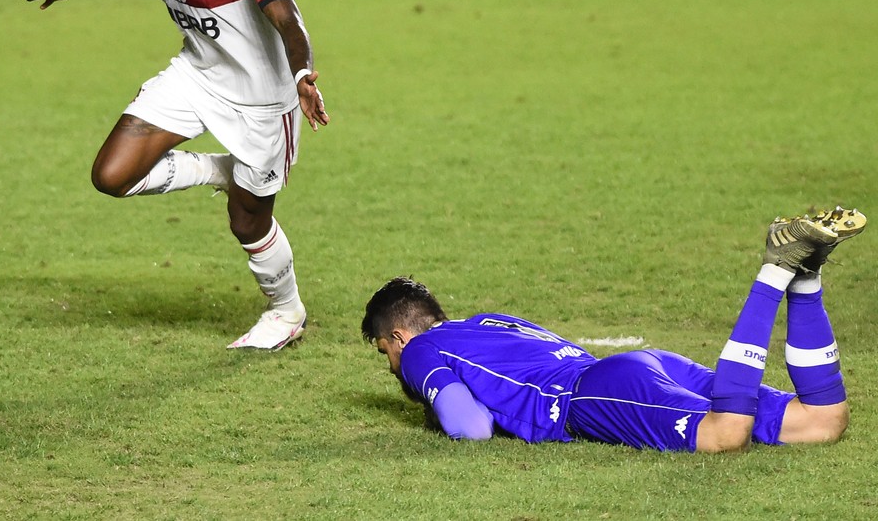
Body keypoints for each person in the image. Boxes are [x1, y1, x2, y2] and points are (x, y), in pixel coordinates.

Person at [13, 0, 329, 350]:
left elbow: (282, 10)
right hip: (197, 73)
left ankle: (286, 311)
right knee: (112, 174)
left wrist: (302, 71)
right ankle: (217, 171)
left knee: (247, 220)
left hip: (261, 95)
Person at [362, 207, 866, 452]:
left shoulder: (423, 349)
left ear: (399, 336)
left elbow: (470, 428)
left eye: (385, 351)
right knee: (821, 423)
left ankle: (776, 271)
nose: (392, 365)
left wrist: (432, 405)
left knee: (725, 435)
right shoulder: (493, 322)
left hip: (596, 395)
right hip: (643, 369)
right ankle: (807, 274)